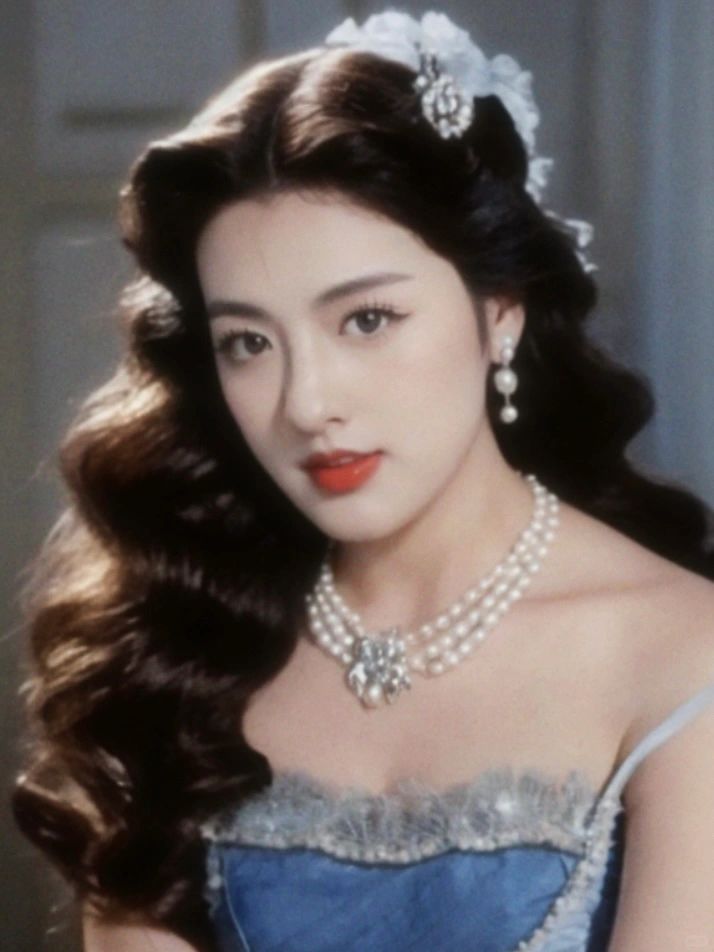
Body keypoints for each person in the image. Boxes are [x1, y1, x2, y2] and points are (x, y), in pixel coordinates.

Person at [12, 9, 714, 952]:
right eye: (248, 342)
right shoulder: (178, 649)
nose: (308, 404)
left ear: (500, 311)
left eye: (367, 320)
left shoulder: (683, 657)